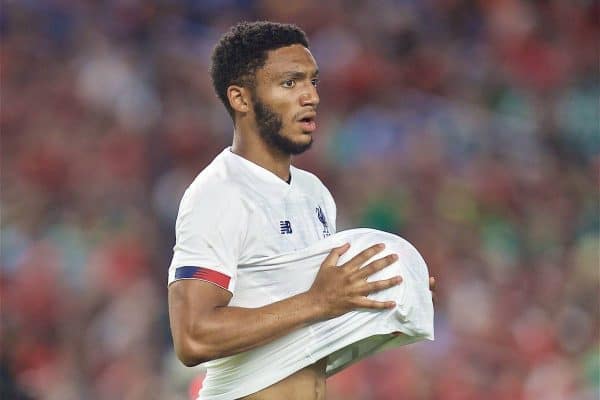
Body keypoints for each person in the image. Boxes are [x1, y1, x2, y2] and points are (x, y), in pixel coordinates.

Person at [168, 21, 435, 400]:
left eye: (313, 81)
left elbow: (300, 338)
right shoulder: (219, 193)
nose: (310, 96)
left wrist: (383, 297)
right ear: (241, 99)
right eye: (290, 83)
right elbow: (192, 337)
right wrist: (319, 301)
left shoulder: (315, 194)